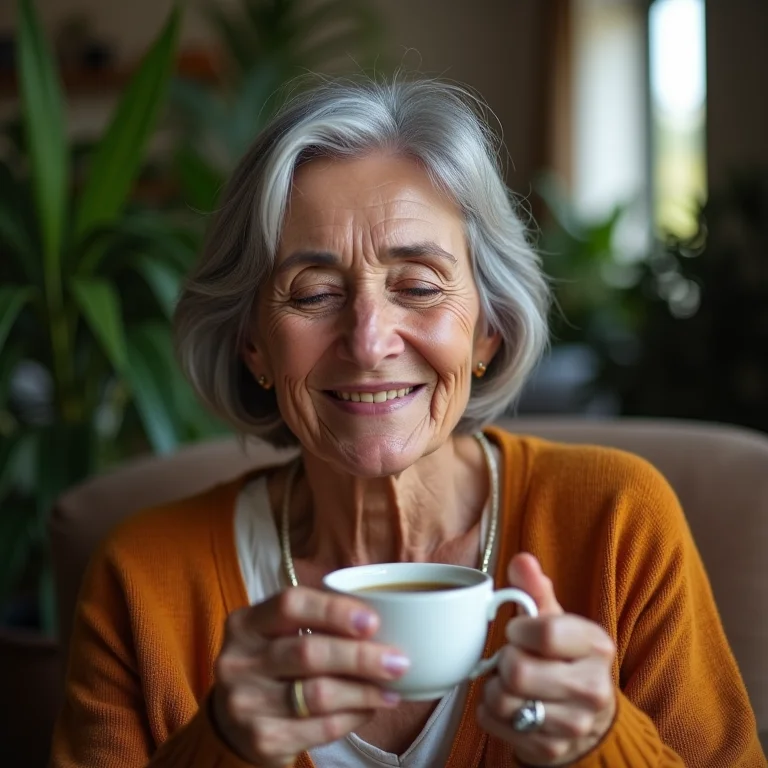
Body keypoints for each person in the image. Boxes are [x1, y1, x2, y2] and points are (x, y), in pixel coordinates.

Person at [51, 77, 765, 768]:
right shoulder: (144, 579)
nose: (369, 341)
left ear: (487, 328)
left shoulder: (616, 523)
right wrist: (223, 749)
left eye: (418, 286)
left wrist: (601, 744)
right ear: (253, 344)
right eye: (316, 292)